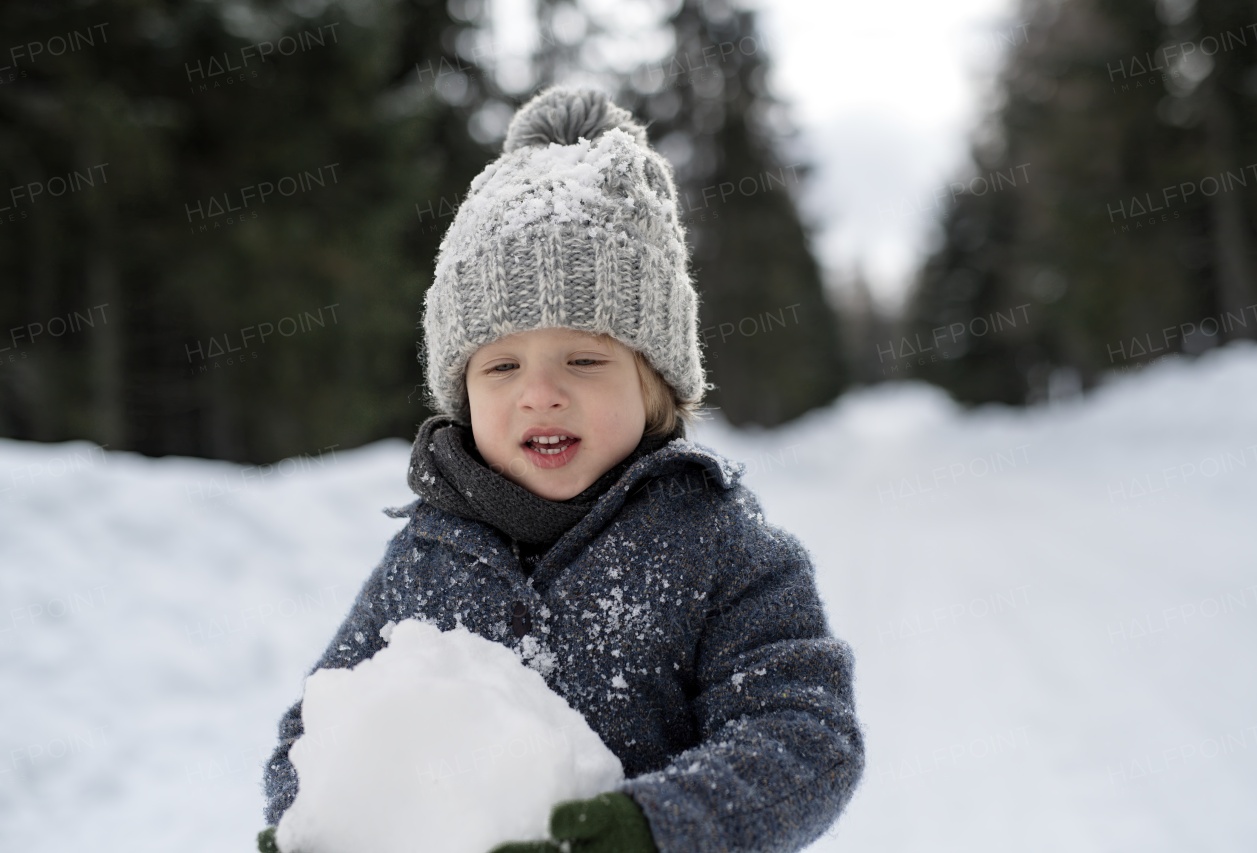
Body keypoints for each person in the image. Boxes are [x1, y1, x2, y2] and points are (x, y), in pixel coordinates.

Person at [259, 85, 865, 853]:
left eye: (583, 359)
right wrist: (316, 820)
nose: (539, 393)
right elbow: (317, 727)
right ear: (462, 393)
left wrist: (652, 827)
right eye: (501, 366)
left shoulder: (720, 548)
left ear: (656, 384)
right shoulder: (426, 558)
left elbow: (806, 735)